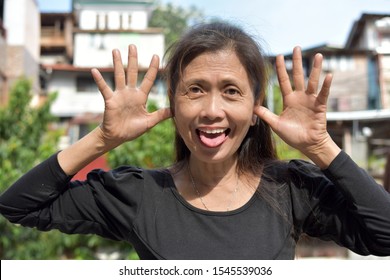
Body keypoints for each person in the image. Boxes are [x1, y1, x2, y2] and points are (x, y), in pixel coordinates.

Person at [1, 22, 390, 260]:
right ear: (173, 105)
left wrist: (322, 147)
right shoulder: (139, 193)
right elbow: (19, 206)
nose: (212, 110)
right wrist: (102, 138)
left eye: (232, 92)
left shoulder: (290, 188)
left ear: (256, 109)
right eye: (195, 90)